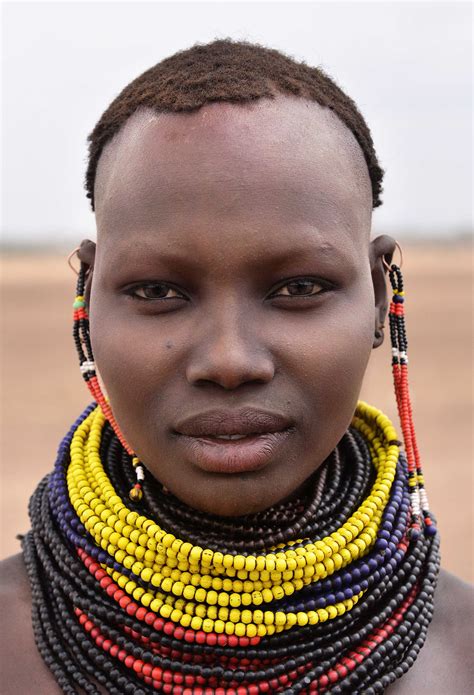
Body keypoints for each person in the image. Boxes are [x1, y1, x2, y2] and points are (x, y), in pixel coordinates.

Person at [1, 39, 472, 695]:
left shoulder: (461, 653)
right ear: (86, 295)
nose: (229, 361)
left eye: (300, 287)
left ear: (377, 296)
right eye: (158, 291)